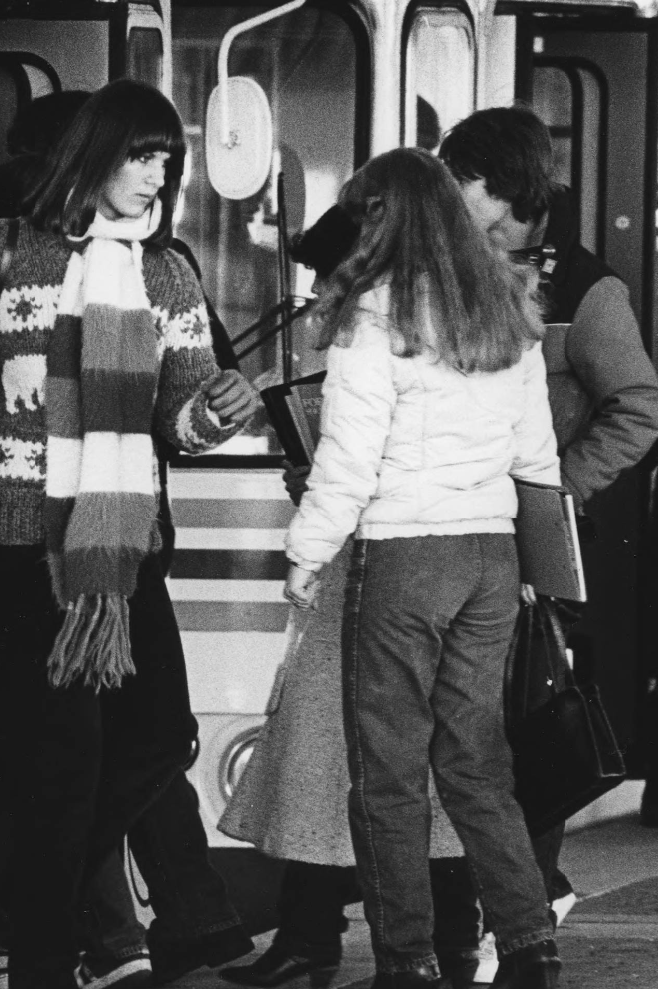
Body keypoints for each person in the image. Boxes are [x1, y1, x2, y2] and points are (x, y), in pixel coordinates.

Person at [0, 79, 253, 989]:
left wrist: (216, 413)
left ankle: (39, 898)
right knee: (63, 763)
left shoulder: (167, 272)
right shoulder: (0, 248)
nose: (155, 175)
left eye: (166, 160)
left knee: (157, 738)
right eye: (139, 155)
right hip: (17, 540)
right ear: (93, 154)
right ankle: (43, 957)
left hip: (121, 544)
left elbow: (178, 418)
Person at [282, 148, 563, 988]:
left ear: (383, 219)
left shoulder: (376, 316)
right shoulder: (508, 310)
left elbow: (348, 458)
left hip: (404, 552)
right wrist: (537, 566)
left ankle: (406, 963)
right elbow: (536, 457)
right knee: (476, 764)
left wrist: (306, 550)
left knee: (387, 773)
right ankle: (527, 944)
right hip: (488, 555)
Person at [217, 205, 484, 989]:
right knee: (378, 754)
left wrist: (308, 536)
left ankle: (395, 941)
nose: (317, 294)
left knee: (378, 756)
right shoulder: (456, 322)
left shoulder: (379, 334)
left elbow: (360, 460)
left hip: (380, 567)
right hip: (405, 565)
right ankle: (355, 934)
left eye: (328, 277)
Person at [438, 104, 658, 910]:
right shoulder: (451, 267)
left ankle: (529, 890)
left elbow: (637, 405)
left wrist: (554, 488)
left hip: (536, 539)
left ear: (500, 185)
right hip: (465, 523)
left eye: (461, 176)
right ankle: (507, 896)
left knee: (523, 715)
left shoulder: (588, 289)